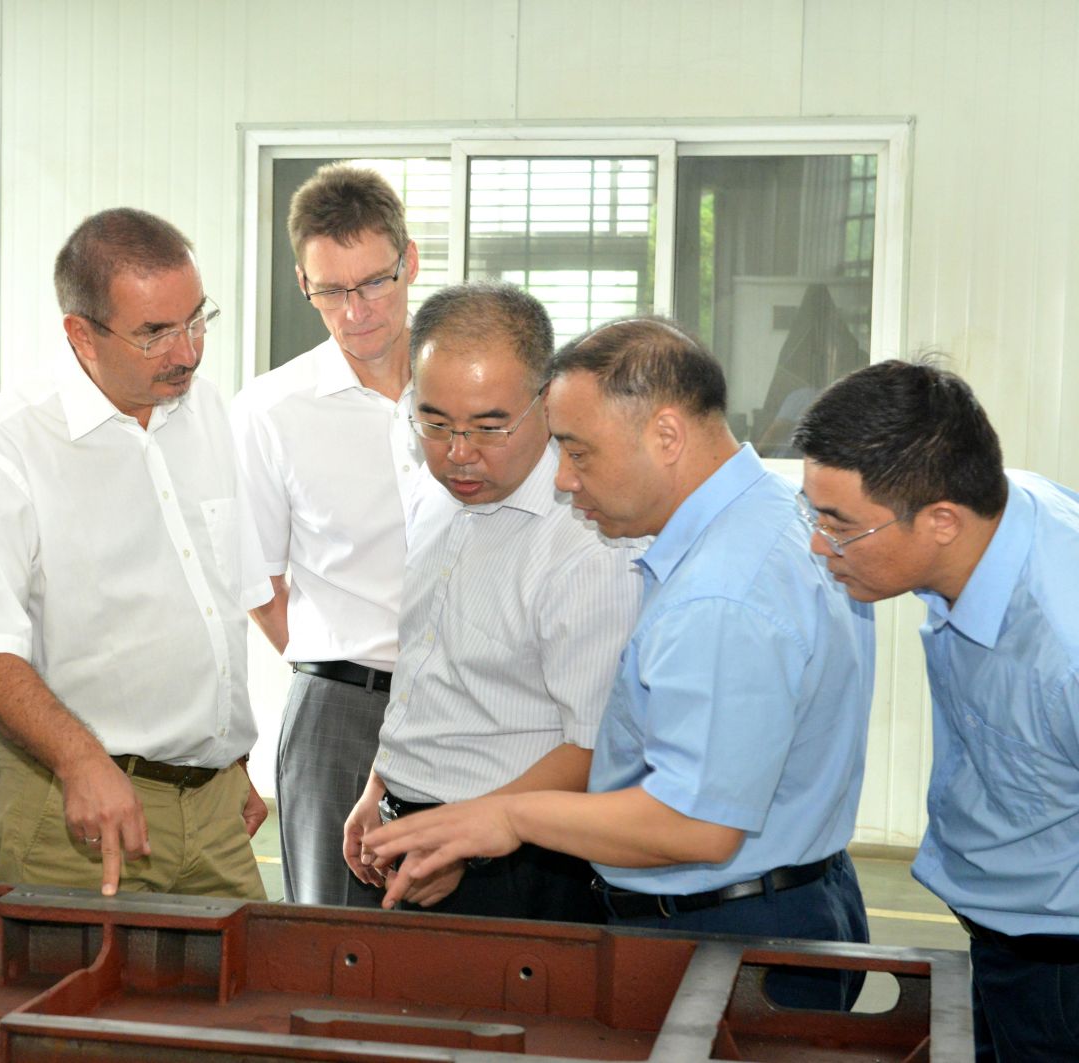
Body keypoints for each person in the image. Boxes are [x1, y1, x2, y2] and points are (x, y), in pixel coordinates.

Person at [365, 317, 875, 1011]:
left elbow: (695, 823)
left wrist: (508, 818)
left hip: (729, 931)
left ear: (666, 436)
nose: (565, 478)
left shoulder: (722, 592)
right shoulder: (770, 519)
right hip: (782, 899)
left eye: (578, 451)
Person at [0, 207, 270, 899]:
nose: (187, 352)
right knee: (81, 975)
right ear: (81, 334)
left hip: (215, 809)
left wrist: (226, 759)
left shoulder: (206, 412)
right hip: (77, 810)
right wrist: (81, 762)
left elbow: (212, 607)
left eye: (197, 319)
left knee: (244, 972)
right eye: (155, 333)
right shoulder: (9, 445)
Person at [794, 359, 1079, 1060]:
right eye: (812, 512)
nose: (818, 543)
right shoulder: (992, 522)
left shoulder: (1061, 646)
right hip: (1005, 933)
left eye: (839, 524)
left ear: (942, 521)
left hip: (1060, 968)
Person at [340, 282, 642, 921]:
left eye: (488, 427)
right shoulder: (435, 492)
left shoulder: (588, 538)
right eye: (434, 422)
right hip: (415, 831)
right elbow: (427, 669)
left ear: (546, 401)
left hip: (519, 862)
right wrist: (381, 785)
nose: (459, 454)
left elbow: (594, 747)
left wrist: (464, 842)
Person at [231, 164, 423, 907]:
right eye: (330, 291)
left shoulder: (472, 389)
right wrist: (339, 672)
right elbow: (258, 580)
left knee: (475, 941)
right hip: (341, 710)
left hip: (479, 705)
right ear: (302, 284)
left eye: (373, 283)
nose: (355, 311)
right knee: (336, 943)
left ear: (409, 261)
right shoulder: (272, 410)